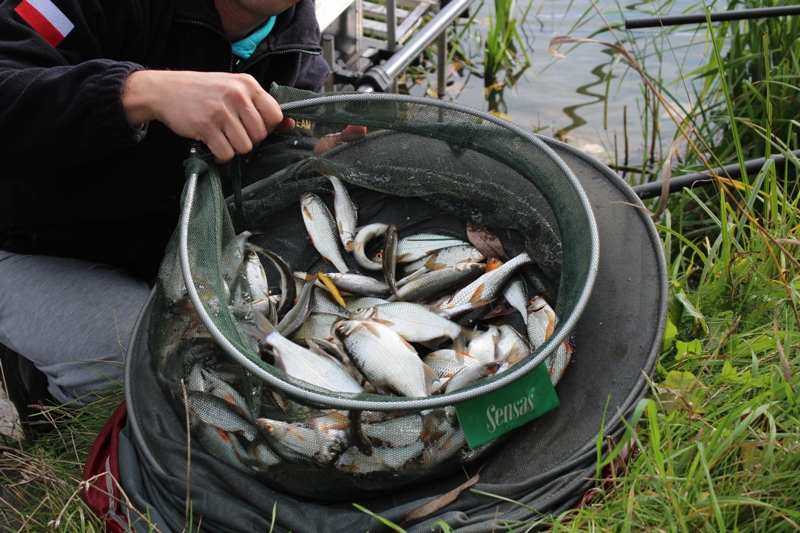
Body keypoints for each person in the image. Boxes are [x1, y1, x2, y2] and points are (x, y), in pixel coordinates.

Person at [0, 0, 330, 438]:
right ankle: (39, 390)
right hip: (24, 240)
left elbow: (267, 168)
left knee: (261, 365)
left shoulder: (300, 50)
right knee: (158, 375)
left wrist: (316, 160)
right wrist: (139, 93)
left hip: (164, 255)